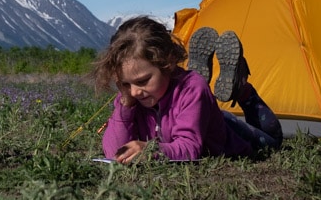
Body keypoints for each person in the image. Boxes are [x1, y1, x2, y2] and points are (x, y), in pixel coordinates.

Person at [92, 16, 282, 163]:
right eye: (125, 84)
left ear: (168, 62)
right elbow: (114, 152)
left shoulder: (191, 88)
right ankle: (204, 102)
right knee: (200, 104)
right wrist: (125, 107)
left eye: (143, 81)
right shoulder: (131, 98)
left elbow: (190, 148)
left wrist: (150, 150)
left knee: (272, 142)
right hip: (198, 113)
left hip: (229, 135)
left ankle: (242, 90)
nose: (134, 92)